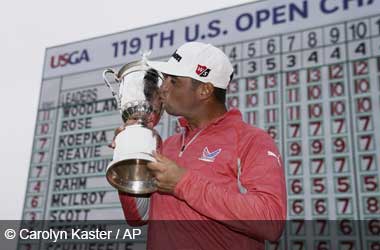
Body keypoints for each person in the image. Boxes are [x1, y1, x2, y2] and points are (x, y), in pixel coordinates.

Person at [116, 42, 287, 250]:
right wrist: (128, 156)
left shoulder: (251, 140)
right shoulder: (167, 145)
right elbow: (139, 216)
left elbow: (271, 222)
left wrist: (183, 183)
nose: (163, 88)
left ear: (205, 90)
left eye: (174, 81)